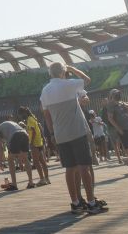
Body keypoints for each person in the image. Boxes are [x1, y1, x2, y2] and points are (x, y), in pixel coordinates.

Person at [44, 63, 106, 214]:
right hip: (77, 132)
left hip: (60, 134)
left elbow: (46, 114)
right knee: (84, 166)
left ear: (50, 74)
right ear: (63, 72)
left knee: (70, 169)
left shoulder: (45, 90)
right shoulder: (69, 84)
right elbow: (87, 79)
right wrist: (72, 69)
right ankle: (91, 203)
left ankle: (76, 203)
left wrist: (52, 133)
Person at [0, 116, 30, 189]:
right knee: (25, 158)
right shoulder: (8, 126)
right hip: (25, 134)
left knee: (10, 159)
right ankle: (31, 182)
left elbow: (0, 147)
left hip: (15, 135)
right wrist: (20, 162)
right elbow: (18, 150)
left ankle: (14, 184)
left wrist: (0, 162)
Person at [107, 88, 128, 173]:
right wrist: (118, 129)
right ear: (111, 96)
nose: (117, 96)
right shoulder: (110, 105)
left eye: (118, 94)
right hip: (123, 129)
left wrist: (123, 104)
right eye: (115, 94)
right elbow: (110, 118)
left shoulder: (122, 103)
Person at [21, 105, 51, 187]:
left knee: (36, 162)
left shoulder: (29, 119)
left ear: (24, 113)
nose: (20, 116)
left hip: (35, 143)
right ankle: (47, 178)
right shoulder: (33, 117)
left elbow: (33, 131)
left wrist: (31, 142)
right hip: (39, 142)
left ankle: (42, 179)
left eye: (21, 114)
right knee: (42, 161)